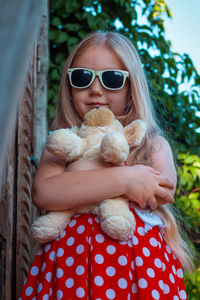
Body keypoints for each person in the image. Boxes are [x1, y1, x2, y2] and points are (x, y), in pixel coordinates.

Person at [19, 31, 192, 300]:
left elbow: (160, 190)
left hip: (139, 276)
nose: (96, 89)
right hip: (69, 272)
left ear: (131, 89)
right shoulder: (63, 144)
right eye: (82, 77)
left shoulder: (151, 144)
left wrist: (79, 180)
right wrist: (125, 180)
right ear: (69, 86)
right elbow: (44, 192)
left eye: (112, 79)